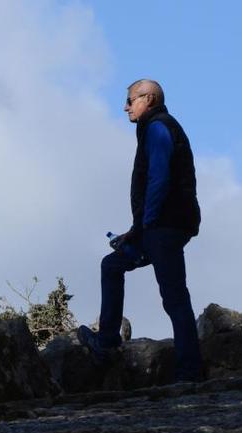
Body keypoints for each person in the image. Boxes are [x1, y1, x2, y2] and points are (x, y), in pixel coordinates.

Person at [78, 79, 203, 382]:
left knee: (173, 296)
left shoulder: (159, 128)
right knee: (112, 265)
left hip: (165, 227)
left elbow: (159, 179)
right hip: (157, 226)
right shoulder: (153, 128)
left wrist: (145, 225)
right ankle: (107, 340)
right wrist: (134, 232)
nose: (125, 107)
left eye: (130, 100)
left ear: (148, 99)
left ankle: (190, 372)